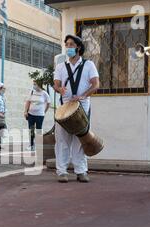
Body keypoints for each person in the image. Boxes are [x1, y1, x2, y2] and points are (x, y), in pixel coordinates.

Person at [53, 34, 100, 183]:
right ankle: (62, 171)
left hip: (82, 105)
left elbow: (96, 84)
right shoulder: (61, 66)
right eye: (67, 45)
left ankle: (81, 171)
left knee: (80, 139)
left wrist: (83, 95)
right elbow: (56, 84)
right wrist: (59, 89)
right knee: (62, 139)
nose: (68, 47)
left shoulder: (88, 65)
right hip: (65, 106)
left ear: (78, 47)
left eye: (71, 45)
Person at [24, 79, 51, 151]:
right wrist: (25, 111)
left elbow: (49, 103)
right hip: (31, 114)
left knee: (39, 129)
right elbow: (28, 102)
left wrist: (44, 111)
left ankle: (38, 145)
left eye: (35, 84)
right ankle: (31, 145)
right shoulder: (32, 92)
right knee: (31, 129)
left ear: (39, 84)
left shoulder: (44, 93)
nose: (34, 86)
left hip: (40, 115)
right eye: (33, 84)